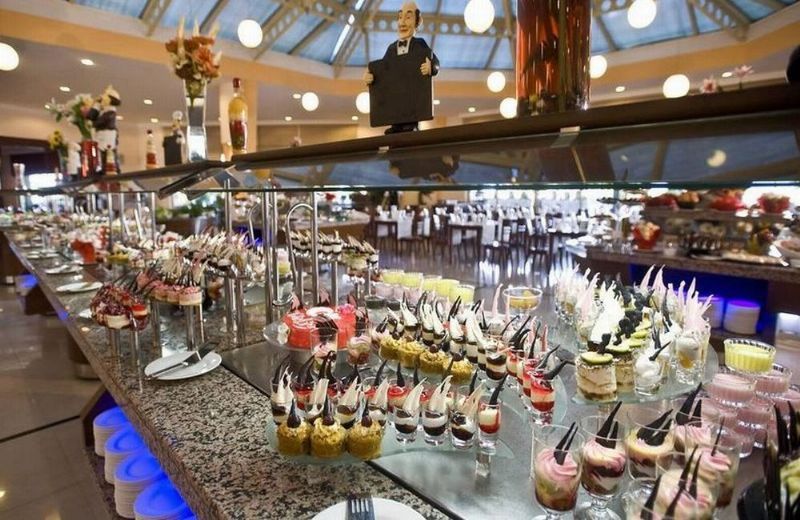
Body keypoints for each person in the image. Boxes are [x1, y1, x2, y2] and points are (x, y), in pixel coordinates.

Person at [363, 1, 439, 134]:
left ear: (417, 21)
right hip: (396, 99)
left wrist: (431, 67)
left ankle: (410, 124)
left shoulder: (420, 44)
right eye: (400, 17)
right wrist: (370, 77)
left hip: (412, 97)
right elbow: (383, 69)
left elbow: (434, 61)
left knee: (410, 120)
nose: (402, 22)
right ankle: (396, 126)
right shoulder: (392, 48)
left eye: (408, 17)